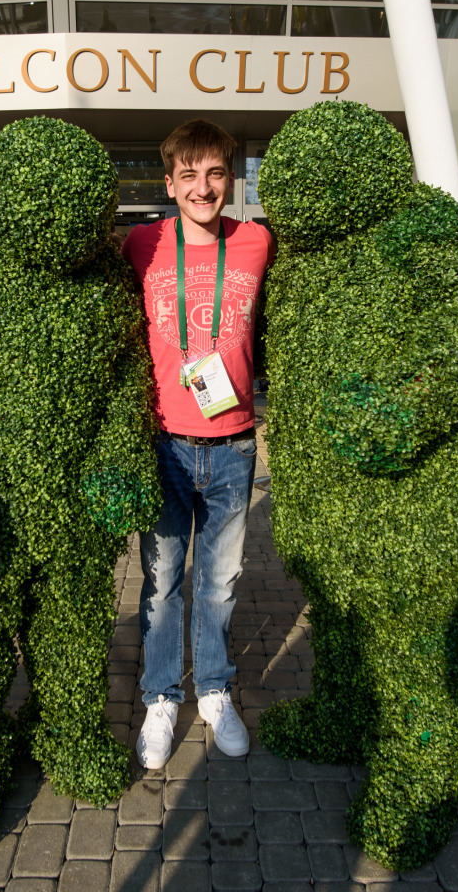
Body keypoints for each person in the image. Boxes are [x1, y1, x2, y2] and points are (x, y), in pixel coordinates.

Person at [122, 119, 274, 769]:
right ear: (169, 183)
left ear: (231, 179)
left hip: (234, 441)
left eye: (214, 174)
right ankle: (162, 696)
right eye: (188, 176)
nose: (202, 187)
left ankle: (212, 691)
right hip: (164, 441)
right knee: (161, 584)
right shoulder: (142, 242)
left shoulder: (257, 241)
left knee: (218, 582)